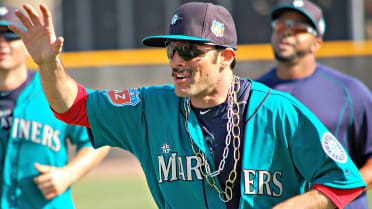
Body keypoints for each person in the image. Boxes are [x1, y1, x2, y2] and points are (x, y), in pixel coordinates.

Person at [10, 2, 367, 209]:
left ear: (226, 57)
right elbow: (72, 107)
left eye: (191, 51)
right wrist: (47, 63)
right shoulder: (149, 108)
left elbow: (345, 183)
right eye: (171, 49)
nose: (177, 60)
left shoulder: (278, 111)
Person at [256, 0, 372, 208]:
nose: (287, 32)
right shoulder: (255, 93)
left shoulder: (350, 92)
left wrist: (335, 191)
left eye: (299, 28)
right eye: (281, 25)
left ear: (317, 41)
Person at [0, 4, 110, 209]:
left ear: (26, 43)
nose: (2, 43)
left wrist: (68, 174)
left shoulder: (54, 92)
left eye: (11, 35)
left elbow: (99, 138)